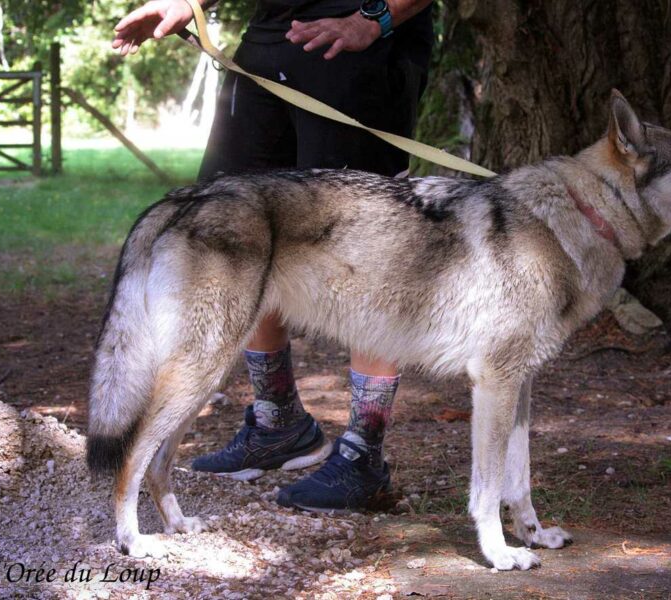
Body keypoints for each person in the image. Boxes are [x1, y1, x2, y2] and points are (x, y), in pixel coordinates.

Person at [112, 0, 434, 511]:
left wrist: (374, 20)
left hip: (360, 54)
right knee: (237, 231)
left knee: (366, 254)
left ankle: (363, 456)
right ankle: (278, 421)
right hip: (264, 49)